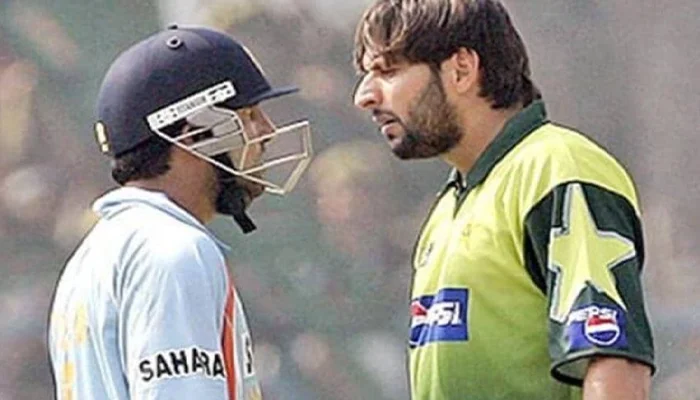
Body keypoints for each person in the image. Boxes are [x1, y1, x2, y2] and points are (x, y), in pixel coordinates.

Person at [352, 1, 655, 399]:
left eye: (388, 71)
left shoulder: (558, 168)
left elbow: (615, 361)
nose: (364, 96)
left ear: (461, 68)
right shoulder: (449, 205)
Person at [48, 25, 312, 399]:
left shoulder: (93, 256)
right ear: (194, 133)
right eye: (249, 114)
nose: (267, 132)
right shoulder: (175, 252)